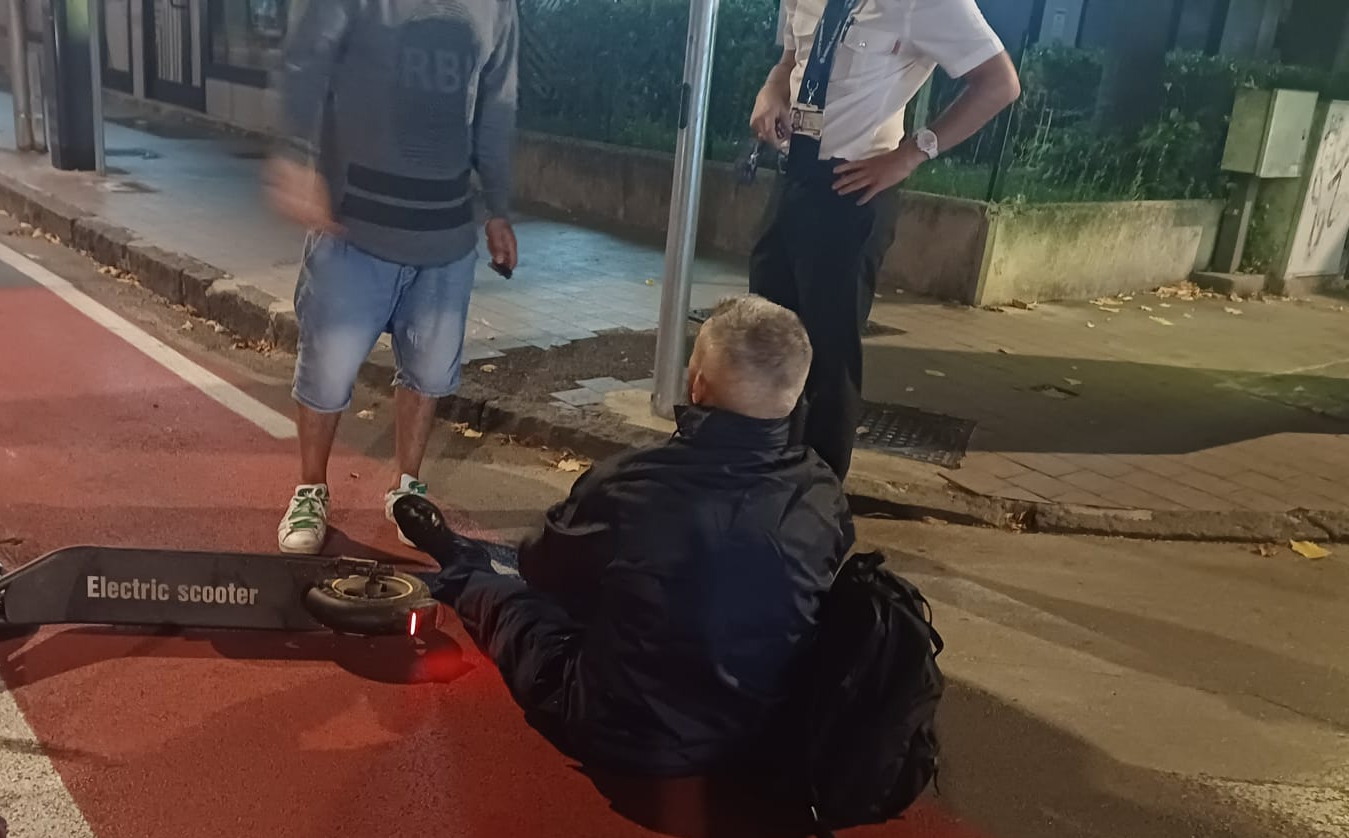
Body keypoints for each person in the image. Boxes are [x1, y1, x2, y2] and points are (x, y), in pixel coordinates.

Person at [394, 296, 854, 776]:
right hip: (763, 737)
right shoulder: (823, 493)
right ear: (794, 395)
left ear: (697, 386)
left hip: (623, 730)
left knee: (514, 604)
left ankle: (459, 566)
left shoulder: (634, 483)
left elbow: (543, 570)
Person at [265, 0, 521, 553]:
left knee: (429, 374)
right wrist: (293, 155)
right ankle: (311, 488)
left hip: (446, 229)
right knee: (327, 374)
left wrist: (497, 208)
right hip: (352, 223)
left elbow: (497, 106)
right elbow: (307, 60)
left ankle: (407, 489)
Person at [748, 0, 1020, 479]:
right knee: (766, 339)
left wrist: (912, 154)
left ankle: (817, 496)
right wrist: (771, 89)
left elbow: (1000, 83)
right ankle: (760, 475)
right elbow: (792, 56)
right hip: (792, 178)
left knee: (829, 356)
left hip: (854, 187)